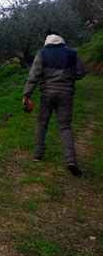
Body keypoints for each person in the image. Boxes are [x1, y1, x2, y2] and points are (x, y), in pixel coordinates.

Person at [23, 30, 86, 176]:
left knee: (42, 123)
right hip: (66, 94)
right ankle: (71, 160)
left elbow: (34, 76)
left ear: (47, 42)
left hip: (47, 94)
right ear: (61, 40)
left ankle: (37, 155)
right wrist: (69, 79)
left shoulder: (42, 53)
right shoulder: (72, 53)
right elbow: (81, 72)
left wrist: (27, 95)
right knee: (65, 126)